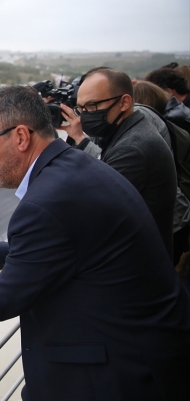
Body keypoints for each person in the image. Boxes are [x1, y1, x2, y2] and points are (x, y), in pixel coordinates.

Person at [0, 85, 190, 401]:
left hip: (114, 381)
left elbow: (0, 300)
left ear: (21, 137)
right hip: (147, 356)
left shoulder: (45, 203)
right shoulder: (75, 166)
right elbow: (63, 244)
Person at [59, 67, 177, 259]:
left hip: (136, 265)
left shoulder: (133, 148)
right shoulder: (126, 133)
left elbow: (94, 211)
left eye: (92, 105)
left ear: (124, 102)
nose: (85, 115)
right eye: (81, 108)